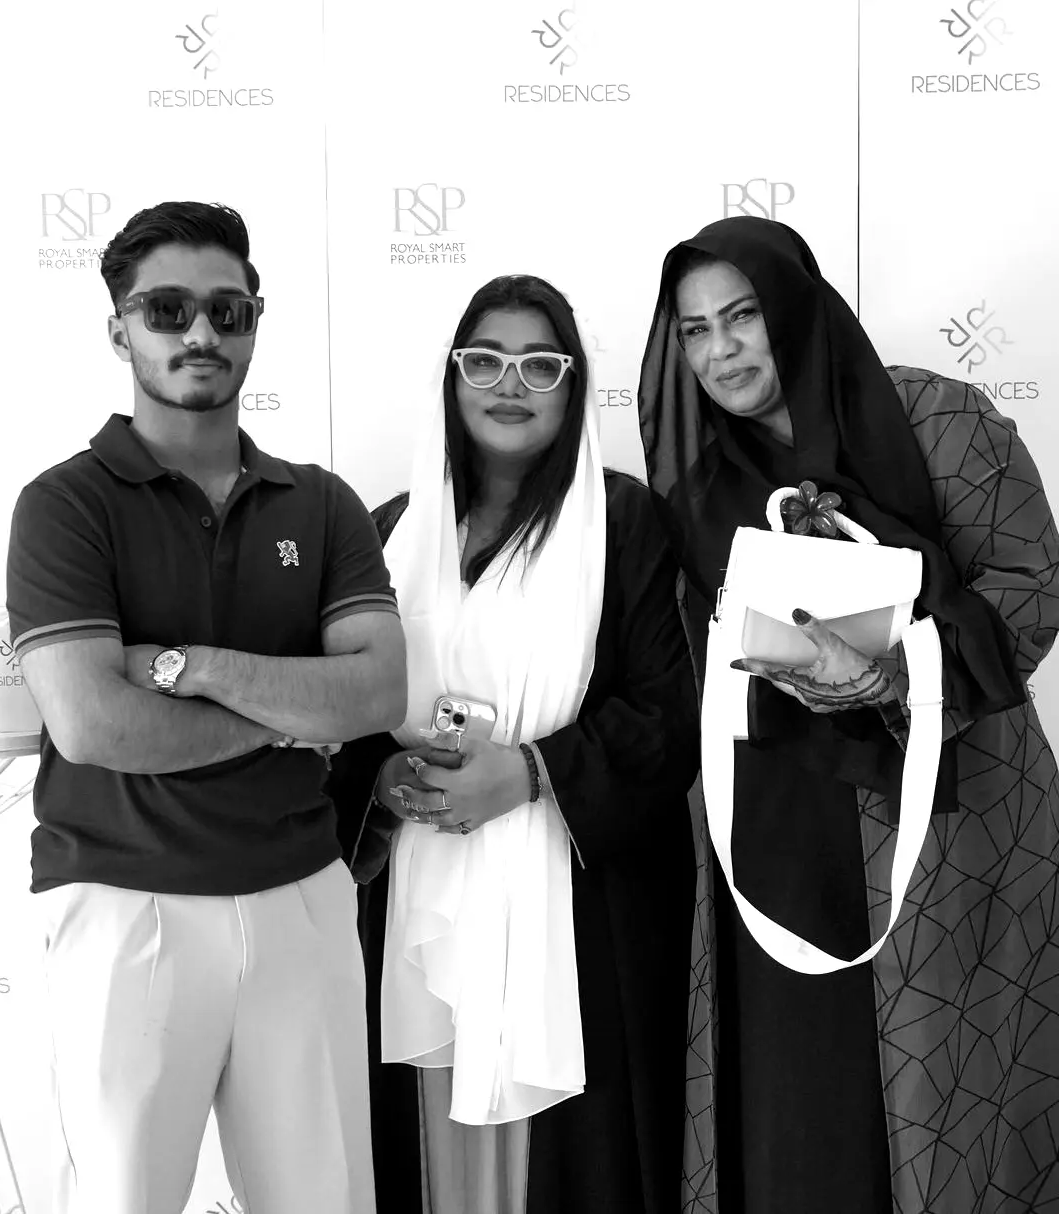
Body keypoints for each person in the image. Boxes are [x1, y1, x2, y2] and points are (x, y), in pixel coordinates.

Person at [637, 215, 1059, 1214]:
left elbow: (1031, 584)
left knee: (947, 1105)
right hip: (778, 839)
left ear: (795, 308)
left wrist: (890, 677)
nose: (722, 350)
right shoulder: (701, 488)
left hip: (946, 827)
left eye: (743, 316)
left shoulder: (935, 418)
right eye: (695, 330)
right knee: (796, 1109)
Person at [5, 201, 406, 1214]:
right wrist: (291, 713)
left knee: (328, 1200)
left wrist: (190, 666)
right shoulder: (64, 504)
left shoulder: (322, 503)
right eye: (168, 309)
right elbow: (94, 725)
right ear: (120, 331)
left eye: (227, 311)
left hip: (303, 896)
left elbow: (376, 692)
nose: (200, 333)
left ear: (255, 324)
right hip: (123, 902)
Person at [326, 273, 698, 1214]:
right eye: (485, 360)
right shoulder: (390, 532)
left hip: (576, 907)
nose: (510, 384)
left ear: (574, 389)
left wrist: (531, 774)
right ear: (452, 379)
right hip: (419, 896)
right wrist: (388, 776)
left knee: (582, 1163)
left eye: (540, 366)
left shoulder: (621, 523)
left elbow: (667, 712)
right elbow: (347, 715)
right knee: (419, 1148)